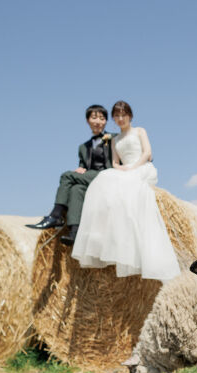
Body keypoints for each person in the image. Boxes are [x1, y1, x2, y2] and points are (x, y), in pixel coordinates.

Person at [71, 101, 180, 281]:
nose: (120, 119)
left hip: (142, 167)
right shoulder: (114, 139)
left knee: (129, 191)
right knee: (102, 180)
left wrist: (133, 167)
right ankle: (101, 240)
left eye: (123, 115)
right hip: (125, 168)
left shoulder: (140, 131)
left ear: (130, 115)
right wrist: (120, 168)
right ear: (114, 119)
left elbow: (147, 153)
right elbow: (114, 162)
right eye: (117, 116)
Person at [26, 104, 115, 245]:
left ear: (106, 121)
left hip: (107, 175)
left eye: (102, 118)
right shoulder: (83, 147)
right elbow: (83, 165)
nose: (98, 121)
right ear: (87, 121)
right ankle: (74, 232)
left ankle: (55, 215)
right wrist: (80, 169)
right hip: (91, 177)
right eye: (94, 118)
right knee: (75, 189)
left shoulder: (113, 138)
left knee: (66, 176)